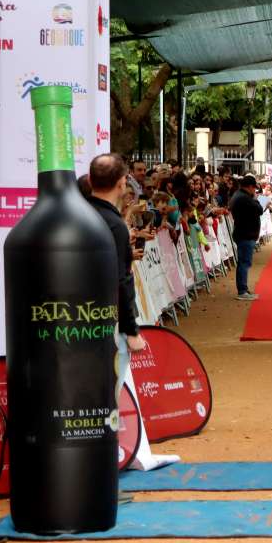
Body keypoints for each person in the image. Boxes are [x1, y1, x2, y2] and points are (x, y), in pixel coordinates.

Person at [86, 154, 176, 472]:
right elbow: (121, 280)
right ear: (123, 182)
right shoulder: (114, 226)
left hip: (72, 320)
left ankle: (117, 449)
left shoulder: (79, 218)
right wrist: (132, 330)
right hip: (107, 321)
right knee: (112, 386)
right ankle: (110, 452)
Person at [228, 175, 263, 300]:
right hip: (245, 234)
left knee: (244, 262)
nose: (255, 191)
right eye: (254, 188)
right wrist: (256, 200)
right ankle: (242, 291)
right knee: (244, 262)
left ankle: (244, 289)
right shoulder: (244, 198)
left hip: (243, 233)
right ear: (249, 187)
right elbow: (259, 210)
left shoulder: (239, 196)